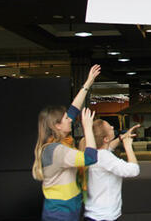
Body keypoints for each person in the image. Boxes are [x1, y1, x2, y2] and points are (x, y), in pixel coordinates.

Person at [32, 64, 101, 221]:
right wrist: (88, 127)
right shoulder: (58, 150)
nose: (70, 119)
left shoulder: (58, 142)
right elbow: (90, 158)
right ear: (57, 126)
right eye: (66, 118)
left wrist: (88, 83)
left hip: (67, 206)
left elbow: (73, 109)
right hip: (61, 211)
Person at [83, 123, 141, 221]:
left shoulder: (93, 154)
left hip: (94, 213)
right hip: (104, 216)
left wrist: (121, 138)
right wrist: (128, 146)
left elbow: (108, 147)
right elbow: (133, 170)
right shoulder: (105, 157)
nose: (112, 127)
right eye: (110, 127)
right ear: (105, 139)